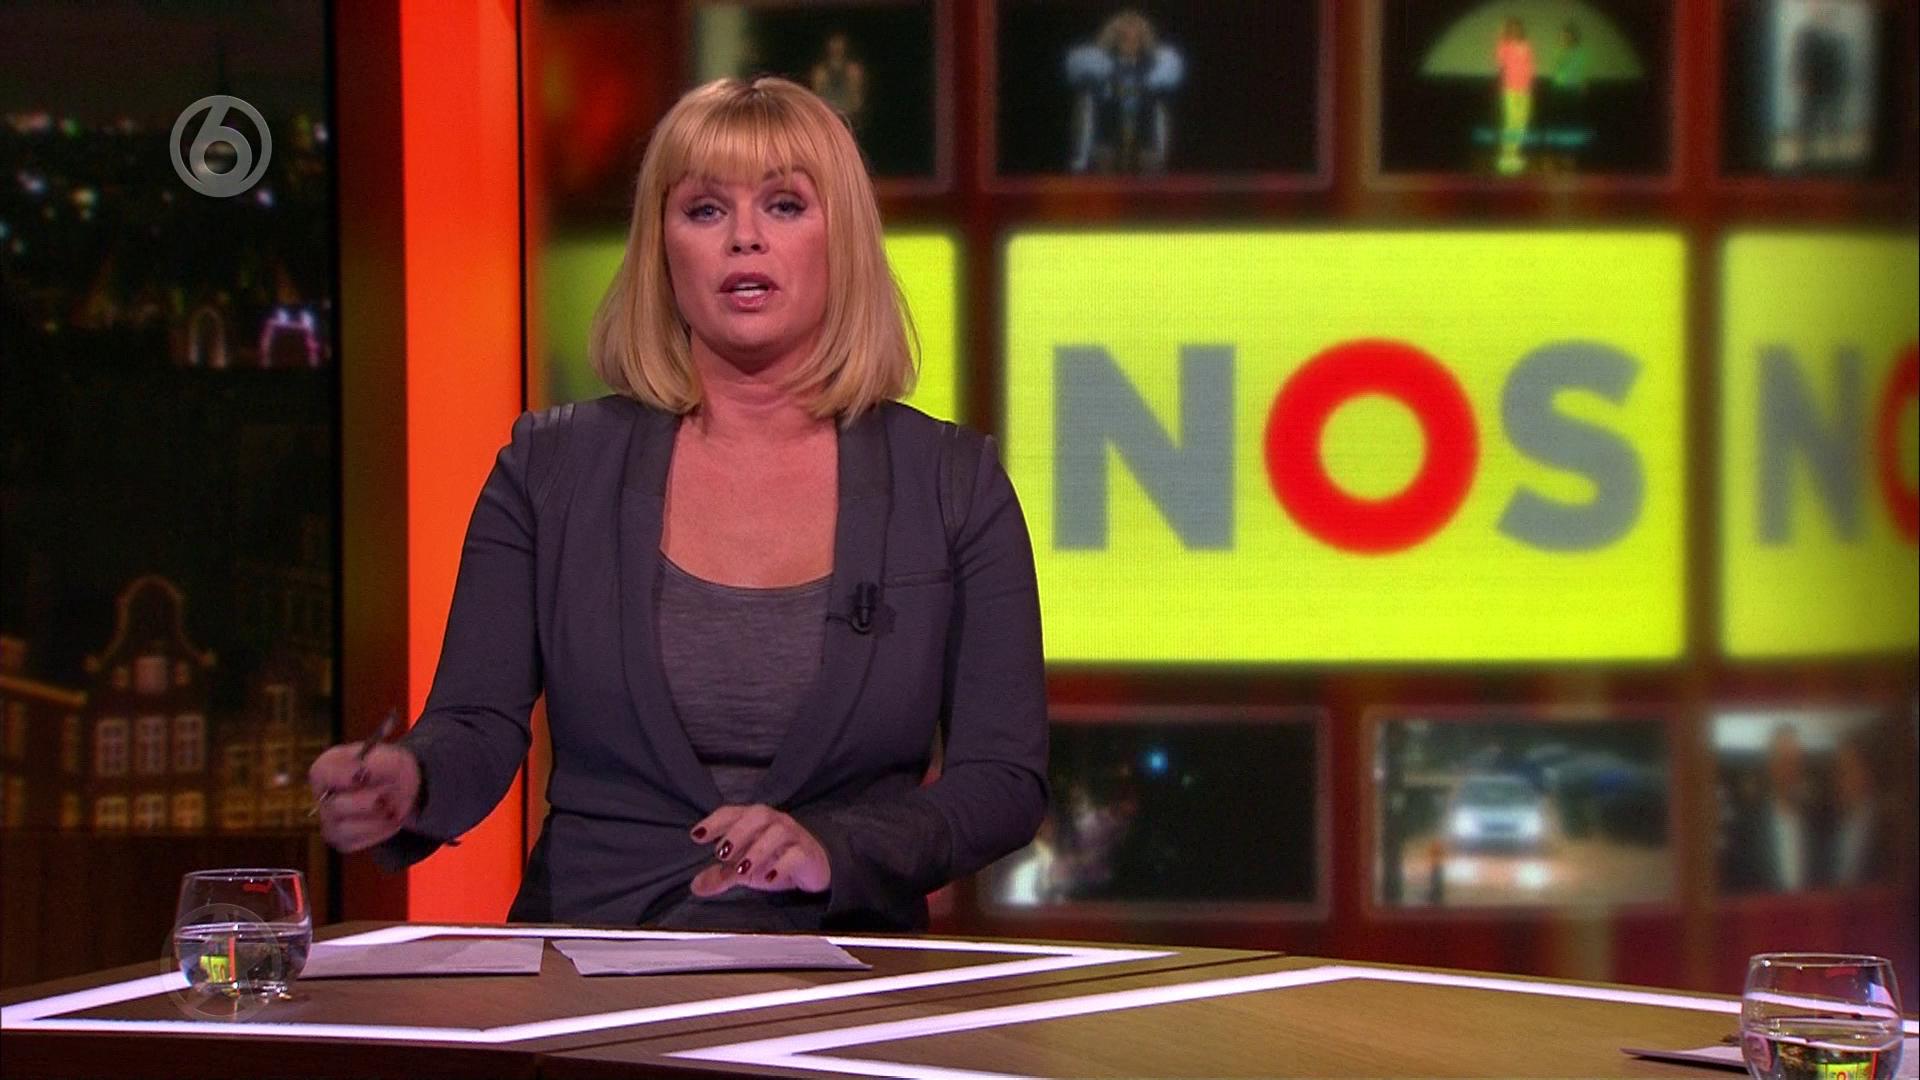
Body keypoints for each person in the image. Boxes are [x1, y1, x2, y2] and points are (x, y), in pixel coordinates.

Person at [309, 76, 1049, 932]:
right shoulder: (550, 468)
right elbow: (475, 725)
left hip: (839, 965)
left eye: (784, 205)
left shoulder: (952, 483)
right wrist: (410, 781)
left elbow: (1003, 782)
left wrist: (835, 848)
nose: (744, 238)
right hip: (591, 958)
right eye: (704, 210)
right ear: (662, 248)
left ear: (842, 239)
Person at [1065, 9, 1185, 175]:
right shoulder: (1097, 66)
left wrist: (1158, 153)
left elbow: (1159, 112)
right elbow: (1088, 109)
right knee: (1088, 103)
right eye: (1124, 37)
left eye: (1135, 38)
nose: (1130, 42)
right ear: (1114, 38)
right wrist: (1083, 157)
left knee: (1150, 156)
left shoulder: (1157, 67)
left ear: (1143, 40)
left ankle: (1154, 162)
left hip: (1144, 130)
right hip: (1107, 130)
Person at [1494, 17, 1535, 176]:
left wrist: (1530, 84)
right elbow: (1499, 61)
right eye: (1511, 28)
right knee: (1511, 122)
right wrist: (1501, 38)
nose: (1515, 30)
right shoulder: (1505, 45)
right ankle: (1506, 156)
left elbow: (1531, 66)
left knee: (1522, 123)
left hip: (1526, 90)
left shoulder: (1527, 45)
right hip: (1510, 89)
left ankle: (1515, 155)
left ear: (1521, 29)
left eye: (1517, 27)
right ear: (1508, 30)